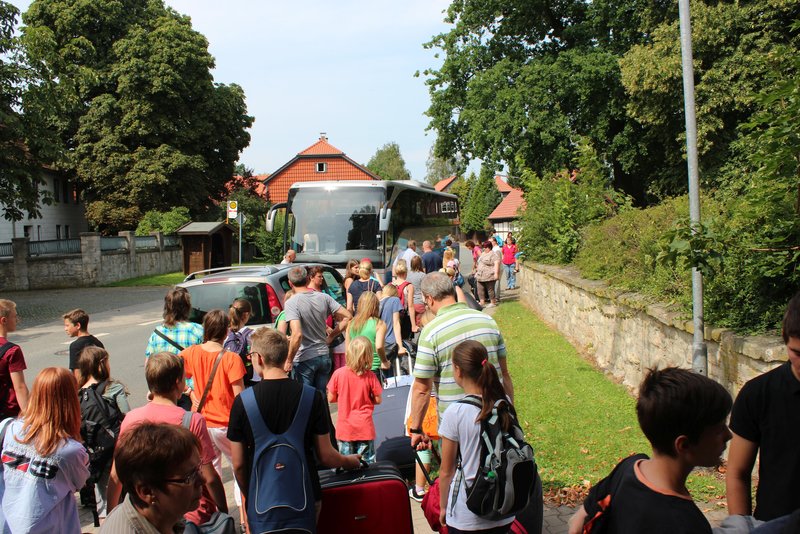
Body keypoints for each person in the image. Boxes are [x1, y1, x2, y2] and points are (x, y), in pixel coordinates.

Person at [567, 367, 732, 534]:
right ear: (683, 445)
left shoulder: (627, 468)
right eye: (719, 429)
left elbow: (578, 521)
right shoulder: (687, 523)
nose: (729, 435)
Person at [228, 328, 361, 532]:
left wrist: (251, 492)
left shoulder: (242, 403)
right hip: (305, 497)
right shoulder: (312, 396)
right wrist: (349, 461)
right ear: (285, 356)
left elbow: (238, 464)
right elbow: (326, 455)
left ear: (259, 358)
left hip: (262, 502)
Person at [106, 352, 228, 528]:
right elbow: (209, 477)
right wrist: (224, 512)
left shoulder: (131, 418)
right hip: (191, 513)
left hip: (150, 514)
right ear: (178, 383)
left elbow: (116, 476)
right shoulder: (192, 421)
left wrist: (111, 515)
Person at [409, 272, 514, 447]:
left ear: (429, 299)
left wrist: (416, 428)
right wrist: (510, 413)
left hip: (456, 432)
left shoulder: (431, 332)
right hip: (496, 421)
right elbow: (504, 373)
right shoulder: (487, 321)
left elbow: (422, 389)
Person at [726, 292, 800, 521]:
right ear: (784, 337)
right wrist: (741, 527)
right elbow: (737, 472)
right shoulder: (759, 394)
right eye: (797, 352)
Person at [438, 340, 519, 533]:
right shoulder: (504, 403)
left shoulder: (455, 413)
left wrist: (443, 507)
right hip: (503, 508)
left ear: (458, 370)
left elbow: (446, 470)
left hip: (467, 513)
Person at [0, 367, 89, 533]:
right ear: (70, 399)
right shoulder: (71, 450)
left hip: (8, 526)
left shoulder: (9, 429)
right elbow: (79, 483)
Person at [180, 309, 246, 510]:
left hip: (201, 422)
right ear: (226, 331)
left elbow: (175, 373)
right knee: (239, 470)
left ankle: (215, 515)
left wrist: (190, 392)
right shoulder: (231, 359)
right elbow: (240, 398)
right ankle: (243, 515)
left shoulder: (191, 353)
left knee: (211, 472)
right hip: (226, 423)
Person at [101, 423, 204, 534]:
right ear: (147, 492)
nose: (203, 480)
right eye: (189, 476)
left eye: (199, 468)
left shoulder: (165, 517)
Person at [78, 346, 130, 521]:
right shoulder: (113, 388)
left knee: (101, 492)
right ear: (102, 364)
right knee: (121, 490)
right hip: (115, 447)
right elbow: (127, 416)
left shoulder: (78, 392)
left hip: (93, 451)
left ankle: (104, 523)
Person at [285, 266, 352, 395]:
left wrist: (288, 360)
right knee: (321, 397)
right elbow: (348, 316)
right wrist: (331, 336)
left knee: (305, 398)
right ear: (307, 279)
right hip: (323, 355)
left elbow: (297, 334)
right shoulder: (324, 297)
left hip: (304, 358)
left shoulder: (291, 303)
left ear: (290, 283)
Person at [327, 336, 383, 464]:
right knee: (367, 464)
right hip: (364, 427)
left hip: (345, 428)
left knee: (346, 464)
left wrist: (344, 398)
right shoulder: (370, 376)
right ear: (368, 356)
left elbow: (330, 398)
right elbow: (378, 400)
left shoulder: (338, 374)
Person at [347, 292, 390, 382]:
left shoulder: (351, 324)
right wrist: (384, 361)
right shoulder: (379, 323)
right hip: (373, 368)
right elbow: (379, 346)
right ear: (375, 306)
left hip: (354, 369)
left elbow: (347, 350)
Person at [0, 299, 29, 420]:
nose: (17, 320)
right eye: (14, 316)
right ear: (4, 320)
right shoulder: (11, 350)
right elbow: (20, 387)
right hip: (7, 413)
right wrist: (29, 417)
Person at [63, 308, 105, 381]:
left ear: (78, 325)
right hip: (99, 382)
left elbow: (77, 374)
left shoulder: (75, 346)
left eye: (67, 325)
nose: (65, 329)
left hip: (85, 385)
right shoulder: (98, 343)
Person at [225, 298, 256, 386]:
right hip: (248, 380)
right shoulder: (252, 334)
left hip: (229, 379)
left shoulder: (225, 333)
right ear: (246, 315)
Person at [379, 284, 409, 375]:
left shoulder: (378, 302)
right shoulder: (395, 300)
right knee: (394, 373)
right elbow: (396, 323)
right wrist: (400, 346)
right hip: (391, 342)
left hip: (379, 341)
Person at [392, 258, 418, 336]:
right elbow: (410, 306)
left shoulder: (390, 285)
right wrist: (413, 325)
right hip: (403, 316)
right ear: (405, 273)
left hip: (392, 316)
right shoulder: (409, 286)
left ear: (396, 273)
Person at [475, 241, 500, 308]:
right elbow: (479, 262)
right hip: (480, 275)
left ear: (489, 247)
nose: (484, 249)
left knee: (490, 289)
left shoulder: (493, 255)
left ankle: (493, 302)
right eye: (484, 247)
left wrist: (496, 274)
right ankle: (482, 302)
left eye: (485, 247)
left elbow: (496, 264)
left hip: (489, 275)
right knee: (480, 289)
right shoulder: (483, 254)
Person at [407, 255, 427, 329]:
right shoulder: (423, 275)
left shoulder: (408, 275)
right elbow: (425, 290)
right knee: (421, 325)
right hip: (420, 302)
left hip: (410, 303)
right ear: (420, 264)